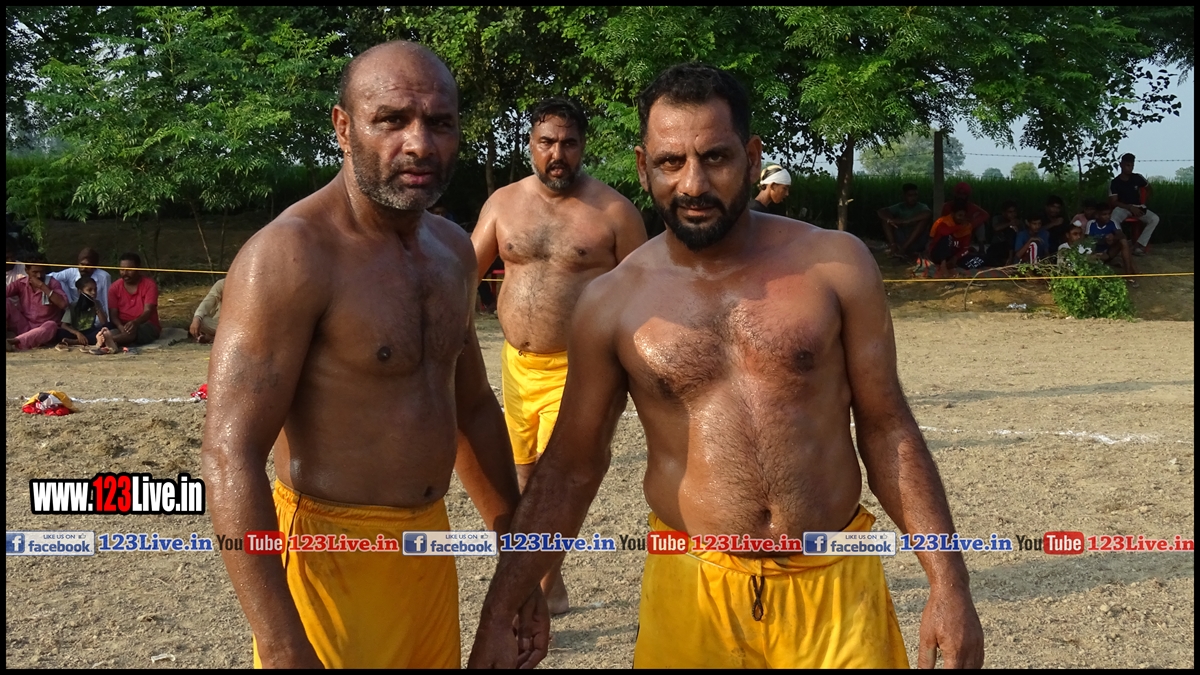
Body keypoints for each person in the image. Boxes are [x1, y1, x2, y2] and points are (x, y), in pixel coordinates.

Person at [470, 62, 984, 670]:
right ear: (643, 166)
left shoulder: (835, 266)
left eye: (714, 157)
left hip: (833, 585)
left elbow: (886, 424)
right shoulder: (612, 302)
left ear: (751, 156)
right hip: (691, 588)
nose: (693, 184)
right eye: (670, 162)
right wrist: (505, 602)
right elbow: (571, 465)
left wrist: (949, 582)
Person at [201, 41, 545, 670]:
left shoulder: (453, 252)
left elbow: (471, 408)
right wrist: (281, 645)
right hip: (328, 558)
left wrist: (517, 569)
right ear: (343, 127)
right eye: (391, 120)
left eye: (440, 122)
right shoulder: (290, 256)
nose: (419, 144)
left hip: (427, 545)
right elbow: (230, 451)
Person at [470, 97, 647, 614]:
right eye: (547, 142)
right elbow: (462, 273)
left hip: (579, 368)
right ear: (531, 145)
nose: (557, 154)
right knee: (524, 475)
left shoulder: (614, 212)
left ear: (583, 146)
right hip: (515, 365)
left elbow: (644, 293)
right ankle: (550, 578)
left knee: (556, 480)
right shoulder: (503, 204)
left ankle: (539, 588)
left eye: (569, 143)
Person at [6, 253, 68, 351]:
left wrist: (42, 286)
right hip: (25, 326)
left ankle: (14, 342)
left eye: (42, 272)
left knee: (52, 325)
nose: (39, 275)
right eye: (35, 272)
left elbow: (63, 304)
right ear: (27, 271)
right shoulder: (21, 283)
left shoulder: (53, 283)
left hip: (44, 330)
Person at [106, 252, 161, 347]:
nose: (125, 273)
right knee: (108, 332)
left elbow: (148, 311)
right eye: (122, 269)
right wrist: (120, 327)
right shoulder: (114, 287)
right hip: (122, 326)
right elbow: (113, 314)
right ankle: (114, 340)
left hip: (146, 324)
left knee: (133, 332)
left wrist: (135, 322)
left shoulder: (149, 285)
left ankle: (110, 342)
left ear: (138, 269)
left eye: (129, 270)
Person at [1109, 153, 1159, 255]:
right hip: (1122, 207)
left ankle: (1139, 245)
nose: (1130, 168)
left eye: (1132, 165)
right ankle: (1121, 243)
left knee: (1154, 219)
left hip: (1137, 207)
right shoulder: (1115, 182)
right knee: (1113, 219)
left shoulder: (1138, 177)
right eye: (1128, 165)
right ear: (1121, 165)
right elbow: (1113, 201)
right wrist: (1129, 207)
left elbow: (1149, 189)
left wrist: (1143, 203)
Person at [49, 247, 112, 316]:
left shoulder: (104, 276)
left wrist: (106, 320)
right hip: (75, 310)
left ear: (94, 266)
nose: (84, 268)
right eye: (82, 264)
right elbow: (51, 276)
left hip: (96, 312)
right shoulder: (71, 272)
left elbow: (106, 299)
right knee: (59, 282)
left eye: (88, 265)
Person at [876, 182, 931, 258]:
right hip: (901, 237)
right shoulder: (900, 206)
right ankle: (893, 246)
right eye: (910, 195)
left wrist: (905, 221)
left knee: (923, 221)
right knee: (886, 221)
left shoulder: (921, 207)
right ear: (904, 196)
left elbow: (928, 213)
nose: (913, 198)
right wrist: (891, 220)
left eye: (915, 195)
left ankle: (903, 249)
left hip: (917, 240)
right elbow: (881, 212)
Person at [1084, 204, 1138, 277]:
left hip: (1108, 253)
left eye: (1109, 214)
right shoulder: (1091, 224)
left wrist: (1113, 237)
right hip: (1094, 253)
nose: (1108, 216)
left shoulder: (1112, 222)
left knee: (1123, 241)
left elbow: (1122, 235)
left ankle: (1128, 272)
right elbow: (1088, 241)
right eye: (1104, 214)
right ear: (1097, 215)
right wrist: (1103, 240)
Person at [927, 199, 977, 277]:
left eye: (964, 216)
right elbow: (944, 232)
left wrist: (955, 257)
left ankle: (951, 266)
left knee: (978, 259)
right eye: (960, 215)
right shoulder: (943, 222)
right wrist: (959, 227)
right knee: (947, 237)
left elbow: (965, 249)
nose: (962, 218)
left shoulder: (967, 227)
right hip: (937, 254)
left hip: (953, 256)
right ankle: (943, 266)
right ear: (953, 214)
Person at [56, 276, 111, 347]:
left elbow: (104, 323)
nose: (93, 292)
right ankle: (85, 340)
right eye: (89, 290)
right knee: (60, 333)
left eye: (95, 289)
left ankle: (76, 342)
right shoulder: (73, 305)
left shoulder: (97, 303)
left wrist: (97, 307)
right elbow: (64, 325)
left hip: (90, 331)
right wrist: (77, 333)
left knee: (108, 327)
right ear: (80, 291)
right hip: (75, 332)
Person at [940, 181, 989, 247]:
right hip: (952, 231)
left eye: (964, 194)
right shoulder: (947, 206)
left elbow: (985, 214)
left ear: (967, 196)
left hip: (966, 231)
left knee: (981, 224)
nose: (961, 196)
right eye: (959, 193)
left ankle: (981, 246)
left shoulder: (971, 206)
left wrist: (971, 224)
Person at [983, 200, 1021, 267]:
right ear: (1004, 213)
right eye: (1010, 212)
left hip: (1013, 248)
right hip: (999, 245)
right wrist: (1009, 224)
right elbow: (996, 228)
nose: (1013, 214)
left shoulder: (1018, 222)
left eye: (1014, 212)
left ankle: (1009, 259)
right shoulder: (997, 218)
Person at [189, 277, 224, 343]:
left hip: (241, 327)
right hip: (221, 325)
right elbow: (209, 300)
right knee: (200, 321)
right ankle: (217, 337)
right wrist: (197, 318)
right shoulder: (223, 283)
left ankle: (212, 338)